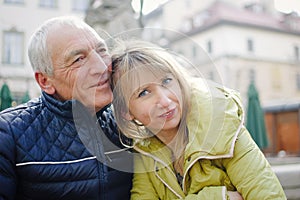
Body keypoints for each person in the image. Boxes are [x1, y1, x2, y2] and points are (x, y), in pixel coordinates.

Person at [110, 39, 286, 199]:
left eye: (166, 81)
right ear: (126, 112)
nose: (165, 100)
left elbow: (269, 195)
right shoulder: (145, 152)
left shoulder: (221, 124)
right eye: (144, 93)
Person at [0, 16, 133, 200]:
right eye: (79, 59)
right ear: (45, 81)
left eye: (102, 51)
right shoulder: (8, 133)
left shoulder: (130, 121)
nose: (102, 66)